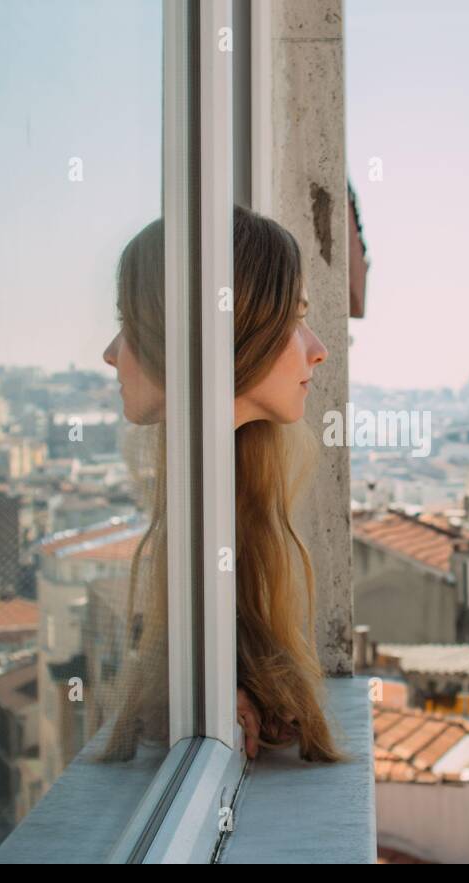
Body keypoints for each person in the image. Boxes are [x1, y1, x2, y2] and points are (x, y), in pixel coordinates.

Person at [97, 205, 348, 764]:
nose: (318, 348)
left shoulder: (221, 486)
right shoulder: (210, 488)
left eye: (127, 323)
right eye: (295, 319)